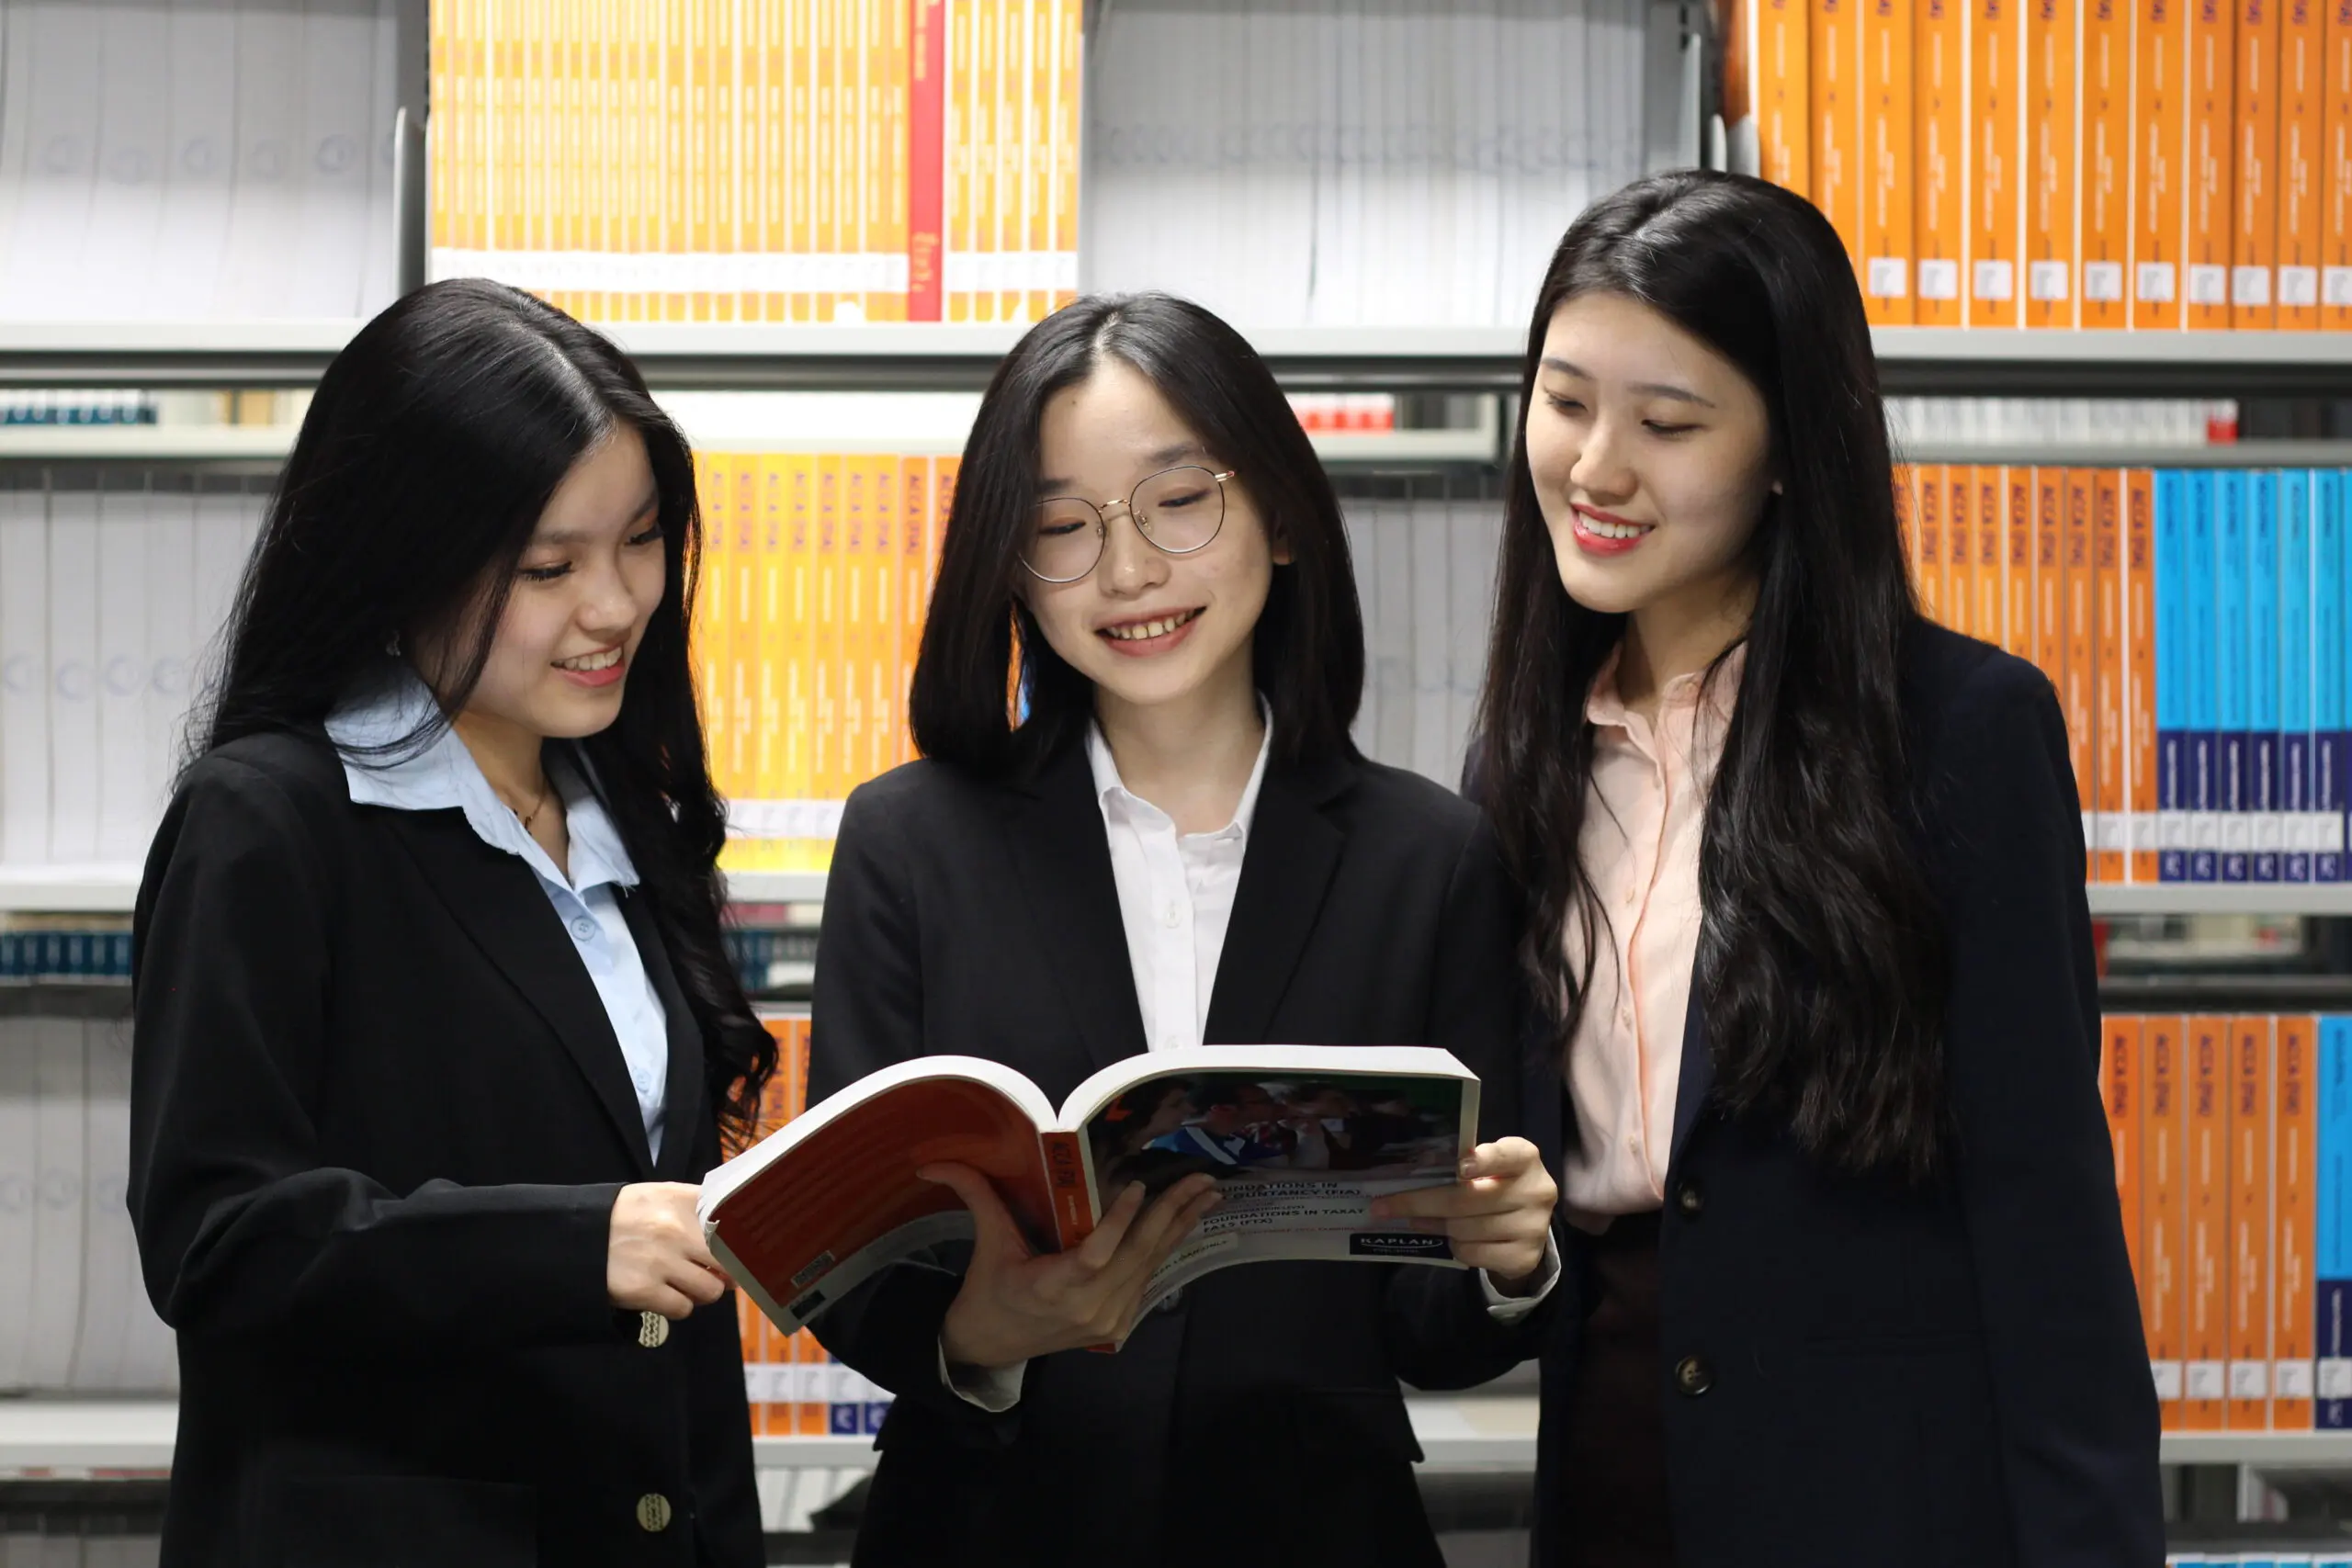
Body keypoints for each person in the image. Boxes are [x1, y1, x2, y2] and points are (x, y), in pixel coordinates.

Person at [1466, 170, 2162, 1566]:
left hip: (1883, 1500)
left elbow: (2046, 1220)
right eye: (1565, 400)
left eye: (1668, 423)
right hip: (1612, 1479)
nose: (1598, 466)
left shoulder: (1959, 732)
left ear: (1790, 448)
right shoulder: (1522, 760)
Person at [807, 291, 1561, 1567]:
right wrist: (983, 1327)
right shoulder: (910, 842)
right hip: (991, 1528)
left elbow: (1432, 1330)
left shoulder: (1429, 859)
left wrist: (1508, 1259)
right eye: (1062, 525)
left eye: (1177, 499)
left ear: (1277, 512)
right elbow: (852, 1260)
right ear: (1007, 564)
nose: (1128, 571)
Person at [128, 279, 771, 1566]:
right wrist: (570, 1244)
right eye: (548, 566)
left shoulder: (618, 808)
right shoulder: (271, 822)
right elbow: (219, 1242)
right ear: (400, 556)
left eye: (641, 541)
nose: (615, 606)